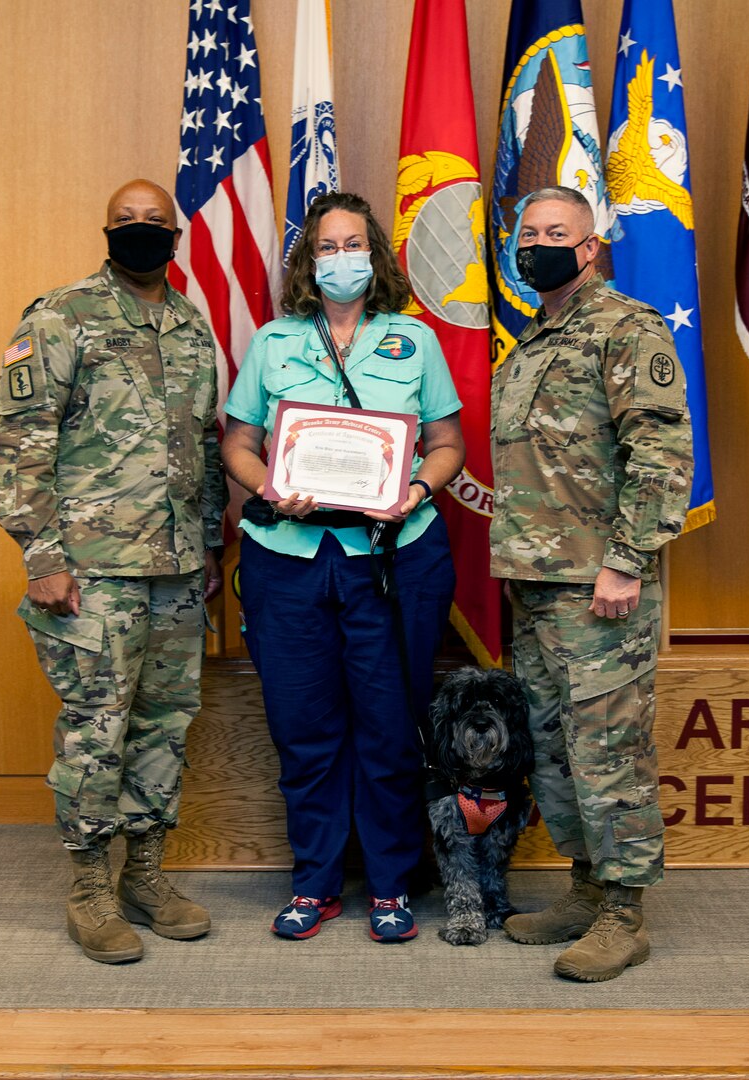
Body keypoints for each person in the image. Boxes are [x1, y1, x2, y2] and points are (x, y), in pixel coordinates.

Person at [0, 179, 226, 964]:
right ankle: (91, 889)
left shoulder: (193, 328)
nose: (139, 232)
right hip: (92, 573)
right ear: (104, 230)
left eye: (153, 223)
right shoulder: (59, 316)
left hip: (177, 571)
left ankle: (145, 877)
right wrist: (43, 556)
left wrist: (210, 550)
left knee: (164, 724)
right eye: (126, 222)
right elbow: (23, 443)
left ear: (177, 233)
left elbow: (202, 448)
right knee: (97, 730)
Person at [222, 192, 464, 943]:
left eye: (352, 244)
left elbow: (447, 442)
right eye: (326, 248)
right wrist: (268, 488)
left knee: (390, 728)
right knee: (304, 728)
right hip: (288, 559)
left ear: (376, 255)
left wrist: (416, 489)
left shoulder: (413, 341)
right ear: (307, 261)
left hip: (393, 558)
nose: (340, 259)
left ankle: (390, 884)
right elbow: (238, 443)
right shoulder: (271, 342)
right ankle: (316, 882)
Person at [491, 186, 694, 981]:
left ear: (590, 246)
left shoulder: (624, 328)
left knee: (609, 750)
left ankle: (624, 914)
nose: (537, 242)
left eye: (555, 232)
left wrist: (626, 560)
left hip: (598, 584)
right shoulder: (532, 343)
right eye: (527, 231)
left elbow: (661, 456)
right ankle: (585, 886)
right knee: (552, 750)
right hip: (536, 584)